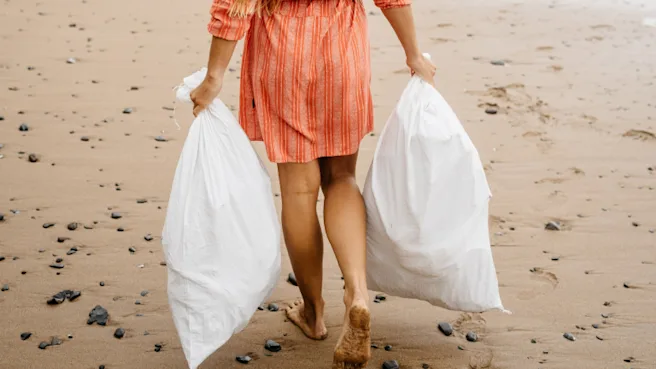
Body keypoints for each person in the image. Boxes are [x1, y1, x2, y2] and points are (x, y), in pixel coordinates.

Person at [190, 0, 435, 367]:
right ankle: (357, 295)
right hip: (342, 50)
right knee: (342, 178)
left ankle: (313, 313)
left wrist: (214, 75)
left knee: (299, 192)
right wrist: (413, 52)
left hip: (281, 52)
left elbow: (234, 4)